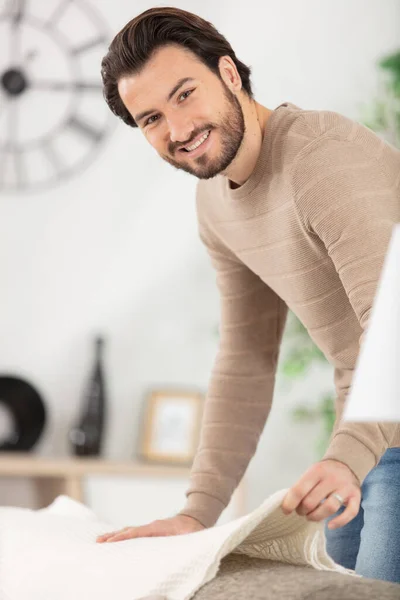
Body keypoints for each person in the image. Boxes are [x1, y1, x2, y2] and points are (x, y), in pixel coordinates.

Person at [96, 6, 400, 583]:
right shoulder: (215, 202)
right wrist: (197, 512)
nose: (178, 130)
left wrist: (346, 457)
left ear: (229, 74)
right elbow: (247, 360)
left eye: (185, 94)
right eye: (151, 118)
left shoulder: (322, 161)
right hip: (376, 438)